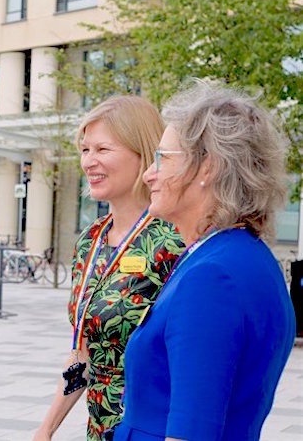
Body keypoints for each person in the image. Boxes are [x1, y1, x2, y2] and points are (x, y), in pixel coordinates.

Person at [114, 80, 296, 441]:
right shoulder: (241, 257)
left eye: (162, 158)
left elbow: (191, 431)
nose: (149, 173)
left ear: (208, 167)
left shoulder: (212, 277)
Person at [34, 95, 184, 441]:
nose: (89, 162)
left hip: (153, 427)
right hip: (99, 429)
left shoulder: (174, 239)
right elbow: (83, 353)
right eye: (85, 150)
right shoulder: (91, 240)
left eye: (103, 149)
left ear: (142, 153)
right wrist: (46, 429)